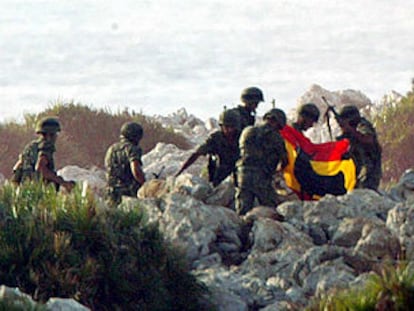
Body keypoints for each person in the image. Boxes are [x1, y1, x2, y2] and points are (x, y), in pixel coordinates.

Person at [235, 108, 288, 217]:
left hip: (242, 175)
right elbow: (284, 160)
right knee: (273, 210)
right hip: (261, 177)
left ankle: (243, 232)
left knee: (242, 211)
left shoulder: (247, 131)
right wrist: (278, 172)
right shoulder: (276, 137)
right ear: (276, 122)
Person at [175, 109, 241, 187]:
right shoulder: (215, 139)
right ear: (221, 126)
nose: (229, 130)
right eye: (226, 127)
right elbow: (197, 154)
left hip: (239, 174)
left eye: (232, 127)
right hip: (220, 174)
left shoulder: (242, 138)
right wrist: (180, 171)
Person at [12, 117, 75, 192]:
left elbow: (16, 169)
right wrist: (63, 182)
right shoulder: (46, 146)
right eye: (55, 134)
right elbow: (41, 169)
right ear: (49, 135)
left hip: (24, 191)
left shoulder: (30, 147)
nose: (56, 137)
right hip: (38, 191)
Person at [335, 105, 382, 190]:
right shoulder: (350, 133)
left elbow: (368, 139)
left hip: (368, 173)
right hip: (356, 173)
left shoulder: (362, 125)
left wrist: (349, 129)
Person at [105, 121, 146, 206]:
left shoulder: (111, 149)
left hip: (111, 192)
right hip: (128, 194)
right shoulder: (133, 148)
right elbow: (136, 170)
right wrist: (145, 184)